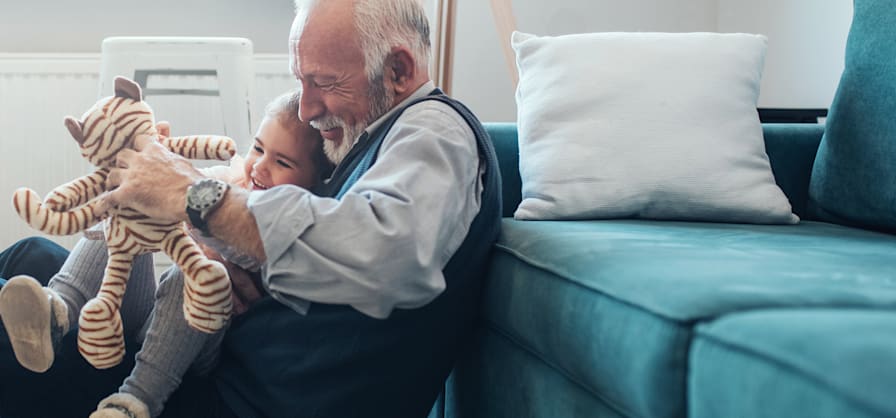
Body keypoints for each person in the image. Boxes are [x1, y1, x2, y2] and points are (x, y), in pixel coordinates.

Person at [0, 0, 502, 416]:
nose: (305, 109)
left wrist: (196, 198)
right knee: (33, 257)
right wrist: (209, 243)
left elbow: (388, 251)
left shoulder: (435, 129)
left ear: (399, 70)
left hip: (221, 394)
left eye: (324, 82)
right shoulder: (370, 138)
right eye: (299, 82)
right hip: (224, 353)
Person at [0, 89, 333, 418]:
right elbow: (181, 188)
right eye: (258, 148)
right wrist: (153, 167)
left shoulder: (289, 227)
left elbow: (247, 257)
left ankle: (135, 400)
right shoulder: (232, 182)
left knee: (184, 276)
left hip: (195, 344)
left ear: (316, 182)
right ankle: (55, 310)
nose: (260, 167)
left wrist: (210, 235)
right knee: (127, 206)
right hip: (153, 320)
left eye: (282, 162)